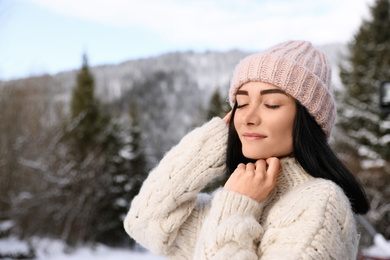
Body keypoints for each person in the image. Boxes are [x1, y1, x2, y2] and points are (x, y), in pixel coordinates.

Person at [124, 40, 370, 259]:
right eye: (241, 103)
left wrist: (235, 209)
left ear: (307, 120)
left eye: (271, 104)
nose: (247, 118)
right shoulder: (240, 196)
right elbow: (144, 222)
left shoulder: (320, 203)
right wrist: (215, 141)